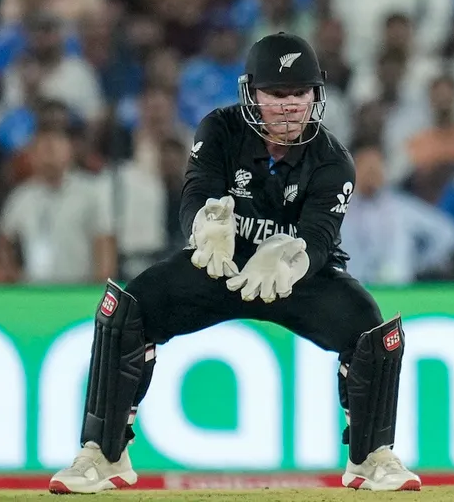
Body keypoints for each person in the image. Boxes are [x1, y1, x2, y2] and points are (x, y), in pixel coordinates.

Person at [49, 32, 421, 493]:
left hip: (289, 276)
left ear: (316, 95)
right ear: (251, 93)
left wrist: (295, 257)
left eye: (299, 94)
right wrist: (204, 224)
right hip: (219, 265)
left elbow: (321, 236)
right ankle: (102, 456)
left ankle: (372, 459)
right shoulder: (219, 129)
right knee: (128, 309)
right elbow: (195, 194)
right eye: (276, 95)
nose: (289, 106)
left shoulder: (333, 160)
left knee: (369, 328)